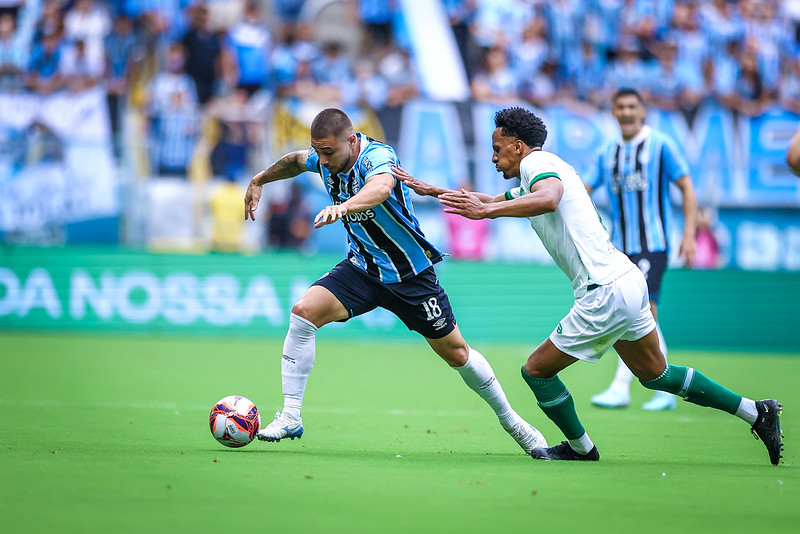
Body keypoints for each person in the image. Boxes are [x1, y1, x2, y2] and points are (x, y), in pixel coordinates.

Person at [394, 106, 783, 464]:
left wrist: (488, 210)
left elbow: (546, 199)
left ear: (518, 145)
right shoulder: (547, 166)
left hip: (604, 291)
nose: (494, 159)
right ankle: (755, 410)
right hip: (628, 280)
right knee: (657, 374)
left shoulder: (537, 163)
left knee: (536, 372)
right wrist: (437, 191)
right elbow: (494, 199)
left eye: (498, 150)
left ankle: (582, 449)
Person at [243, 107, 546, 454]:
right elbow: (295, 160)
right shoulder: (324, 157)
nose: (323, 162)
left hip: (410, 275)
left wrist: (343, 208)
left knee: (457, 353)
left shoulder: (377, 156)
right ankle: (290, 415)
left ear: (352, 140)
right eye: (320, 152)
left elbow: (383, 188)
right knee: (303, 312)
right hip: (363, 269)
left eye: (328, 152)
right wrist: (259, 180)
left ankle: (514, 423)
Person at [584, 88, 698, 411]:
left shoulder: (661, 145)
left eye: (633, 106)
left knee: (638, 310)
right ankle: (665, 388)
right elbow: (583, 190)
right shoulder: (607, 152)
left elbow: (687, 187)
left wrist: (689, 234)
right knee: (642, 315)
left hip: (653, 244)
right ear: (613, 112)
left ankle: (622, 387)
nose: (627, 111)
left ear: (643, 110)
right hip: (619, 250)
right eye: (620, 106)